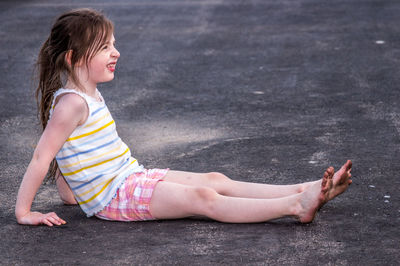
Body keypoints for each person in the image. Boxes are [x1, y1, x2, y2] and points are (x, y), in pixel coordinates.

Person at [15, 8, 352, 227]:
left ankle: (305, 188)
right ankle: (296, 205)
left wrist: (72, 194)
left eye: (113, 44)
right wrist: (25, 212)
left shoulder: (84, 96)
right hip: (117, 196)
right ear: (74, 58)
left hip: (130, 178)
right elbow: (42, 155)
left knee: (214, 179)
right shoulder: (71, 103)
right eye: (105, 48)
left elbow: (67, 152)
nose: (116, 52)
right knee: (202, 199)